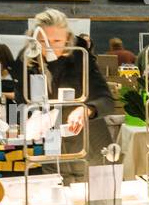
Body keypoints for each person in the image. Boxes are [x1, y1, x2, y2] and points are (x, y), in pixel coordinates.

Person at [13, 8, 114, 136]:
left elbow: (106, 100)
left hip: (85, 137)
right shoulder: (25, 59)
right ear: (34, 39)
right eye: (43, 41)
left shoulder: (80, 57)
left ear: (67, 39)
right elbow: (21, 101)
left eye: (57, 41)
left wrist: (86, 110)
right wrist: (30, 118)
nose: (50, 47)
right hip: (44, 138)